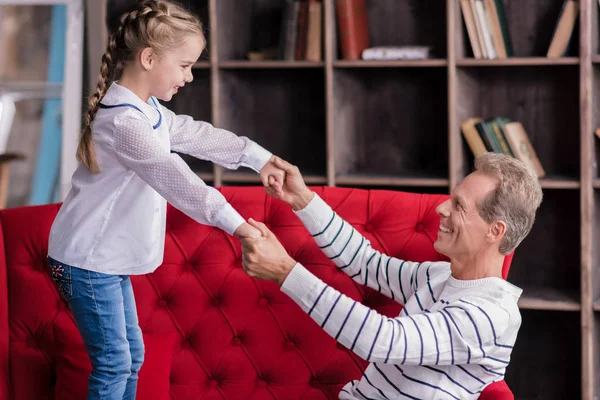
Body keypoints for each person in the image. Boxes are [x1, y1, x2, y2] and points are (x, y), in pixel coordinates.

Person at [46, 1, 286, 399]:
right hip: (85, 260)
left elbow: (198, 135)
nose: (190, 77)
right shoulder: (125, 123)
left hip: (103, 258)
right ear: (149, 58)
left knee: (131, 356)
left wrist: (260, 159)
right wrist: (239, 226)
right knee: (114, 362)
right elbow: (176, 179)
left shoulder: (146, 111)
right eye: (185, 65)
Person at [241, 152, 543, 399]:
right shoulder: (438, 276)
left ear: (495, 231)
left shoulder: (491, 315)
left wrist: (285, 272)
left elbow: (384, 340)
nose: (441, 208)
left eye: (459, 206)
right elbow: (364, 262)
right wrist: (302, 199)